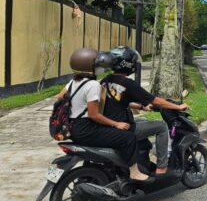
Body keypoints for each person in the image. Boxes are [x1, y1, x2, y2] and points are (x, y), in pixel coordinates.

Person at [57, 48, 149, 181]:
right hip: (86, 129)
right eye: (98, 65)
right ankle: (134, 172)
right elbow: (94, 115)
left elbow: (59, 98)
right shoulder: (93, 85)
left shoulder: (72, 82)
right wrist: (116, 124)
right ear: (90, 67)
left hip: (72, 127)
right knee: (128, 137)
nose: (101, 67)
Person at [101, 46, 189, 175]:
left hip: (109, 125)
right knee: (161, 126)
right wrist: (178, 107)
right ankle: (162, 167)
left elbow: (118, 100)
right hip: (122, 127)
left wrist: (142, 107)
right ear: (128, 64)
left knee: (144, 120)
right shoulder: (128, 83)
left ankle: (142, 159)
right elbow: (155, 101)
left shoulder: (107, 80)